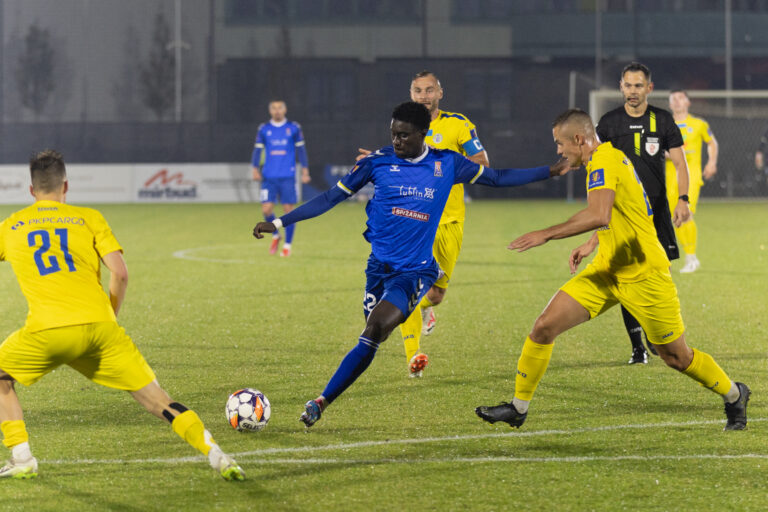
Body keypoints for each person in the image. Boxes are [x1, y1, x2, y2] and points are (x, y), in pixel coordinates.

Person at [253, 102, 573, 428]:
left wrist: (550, 170)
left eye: (404, 136)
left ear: (423, 134)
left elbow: (498, 177)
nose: (397, 142)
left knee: (374, 329)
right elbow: (329, 199)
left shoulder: (446, 163)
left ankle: (320, 401)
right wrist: (278, 223)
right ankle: (410, 317)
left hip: (416, 270)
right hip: (378, 269)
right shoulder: (377, 162)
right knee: (371, 333)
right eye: (393, 135)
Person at [475, 109, 750, 432]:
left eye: (560, 144)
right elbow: (621, 210)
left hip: (644, 273)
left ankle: (734, 395)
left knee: (676, 356)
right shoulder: (606, 159)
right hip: (608, 267)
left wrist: (545, 233)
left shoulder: (604, 160)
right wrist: (592, 244)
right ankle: (518, 408)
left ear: (579, 139)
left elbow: (599, 214)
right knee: (544, 327)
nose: (558, 151)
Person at [0, 151, 244, 481]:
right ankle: (217, 454)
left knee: (2, 378)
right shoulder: (88, 217)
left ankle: (22, 456)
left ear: (31, 190)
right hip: (102, 330)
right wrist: (107, 317)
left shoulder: (12, 225)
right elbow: (120, 274)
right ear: (65, 186)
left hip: (47, 332)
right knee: (160, 401)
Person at [358, 70, 490, 378]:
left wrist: (447, 167)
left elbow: (482, 162)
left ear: (440, 93)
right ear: (411, 93)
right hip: (413, 222)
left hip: (450, 221)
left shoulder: (459, 125)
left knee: (435, 295)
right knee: (406, 289)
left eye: (429, 90)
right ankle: (413, 355)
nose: (424, 96)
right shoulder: (406, 128)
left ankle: (426, 308)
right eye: (418, 90)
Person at [596, 62, 691, 365]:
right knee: (628, 275)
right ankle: (638, 346)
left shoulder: (662, 121)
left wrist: (683, 199)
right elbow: (597, 163)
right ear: (620, 87)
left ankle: (657, 334)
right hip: (624, 213)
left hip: (658, 213)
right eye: (628, 85)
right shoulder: (609, 123)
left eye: (639, 85)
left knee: (660, 274)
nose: (633, 91)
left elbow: (680, 164)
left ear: (649, 88)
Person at [665, 90, 718, 273]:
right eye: (674, 99)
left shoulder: (699, 124)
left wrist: (711, 162)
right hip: (669, 178)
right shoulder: (664, 125)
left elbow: (712, 143)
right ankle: (689, 257)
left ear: (688, 102)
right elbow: (657, 149)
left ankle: (691, 258)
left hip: (691, 176)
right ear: (670, 105)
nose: (677, 102)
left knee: (686, 212)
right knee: (676, 217)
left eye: (680, 98)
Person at [251, 99, 311, 258]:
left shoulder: (293, 128)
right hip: (269, 177)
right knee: (266, 209)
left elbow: (302, 151)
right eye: (274, 108)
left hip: (287, 176)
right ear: (270, 111)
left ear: (285, 110)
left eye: (280, 108)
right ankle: (276, 235)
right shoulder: (264, 129)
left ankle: (287, 245)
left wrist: (305, 171)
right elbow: (257, 151)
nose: (277, 111)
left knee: (288, 212)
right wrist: (255, 169)